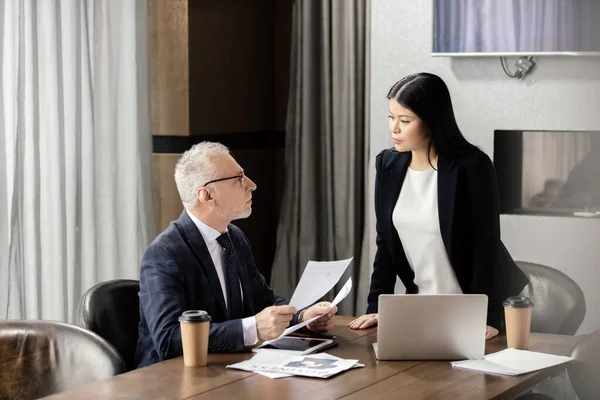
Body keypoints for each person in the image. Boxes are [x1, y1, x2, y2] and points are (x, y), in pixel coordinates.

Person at [348, 73, 528, 339]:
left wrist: (489, 316)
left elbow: (485, 245)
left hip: (471, 308)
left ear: (432, 120)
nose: (394, 128)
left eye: (405, 120)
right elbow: (385, 241)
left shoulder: (472, 166)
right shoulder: (387, 165)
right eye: (391, 117)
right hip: (421, 311)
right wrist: (377, 306)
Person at [134, 142, 338, 368]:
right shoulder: (164, 254)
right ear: (207, 195)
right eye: (238, 179)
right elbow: (168, 340)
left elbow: (263, 301)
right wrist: (252, 329)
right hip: (170, 380)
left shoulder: (233, 237)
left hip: (231, 368)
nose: (252, 185)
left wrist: (302, 316)